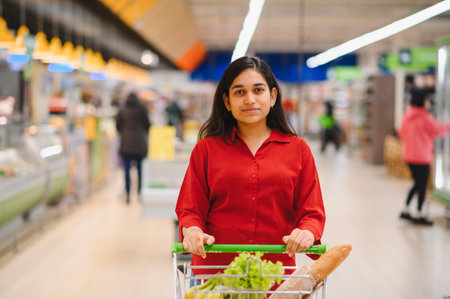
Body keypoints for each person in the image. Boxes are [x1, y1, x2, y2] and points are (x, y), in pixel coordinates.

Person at [175, 56, 326, 274]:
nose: (249, 99)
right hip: (216, 274)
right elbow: (190, 208)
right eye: (239, 92)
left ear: (272, 96)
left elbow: (312, 212)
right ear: (227, 101)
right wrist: (193, 231)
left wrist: (307, 232)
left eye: (258, 90)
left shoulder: (298, 149)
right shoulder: (206, 150)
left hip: (275, 274)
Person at [398, 89, 450, 225]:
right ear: (422, 101)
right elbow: (438, 131)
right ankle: (419, 213)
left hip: (409, 155)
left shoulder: (407, 115)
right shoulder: (425, 117)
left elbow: (401, 133)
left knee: (416, 183)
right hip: (422, 157)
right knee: (422, 185)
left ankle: (406, 209)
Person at [116, 92, 151, 204]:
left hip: (126, 144)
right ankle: (140, 193)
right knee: (140, 170)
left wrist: (125, 133)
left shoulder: (122, 109)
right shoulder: (142, 108)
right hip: (139, 144)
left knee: (126, 171)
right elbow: (148, 125)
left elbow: (117, 126)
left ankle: (127, 194)